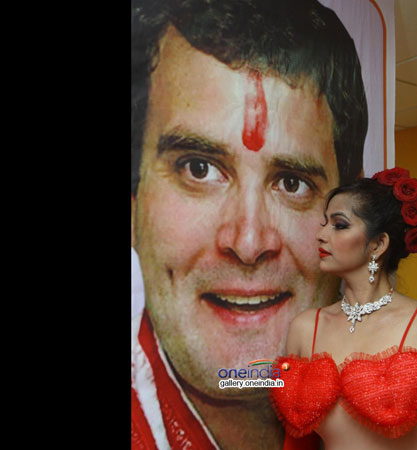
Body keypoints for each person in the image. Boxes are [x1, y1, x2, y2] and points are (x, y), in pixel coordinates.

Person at [130, 0, 369, 449]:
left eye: (293, 183)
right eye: (199, 169)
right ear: (134, 201)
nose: (248, 241)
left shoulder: (383, 405)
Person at [270, 168, 417, 450]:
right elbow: (298, 443)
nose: (320, 235)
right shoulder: (305, 329)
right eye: (324, 224)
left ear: (378, 244)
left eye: (339, 225)